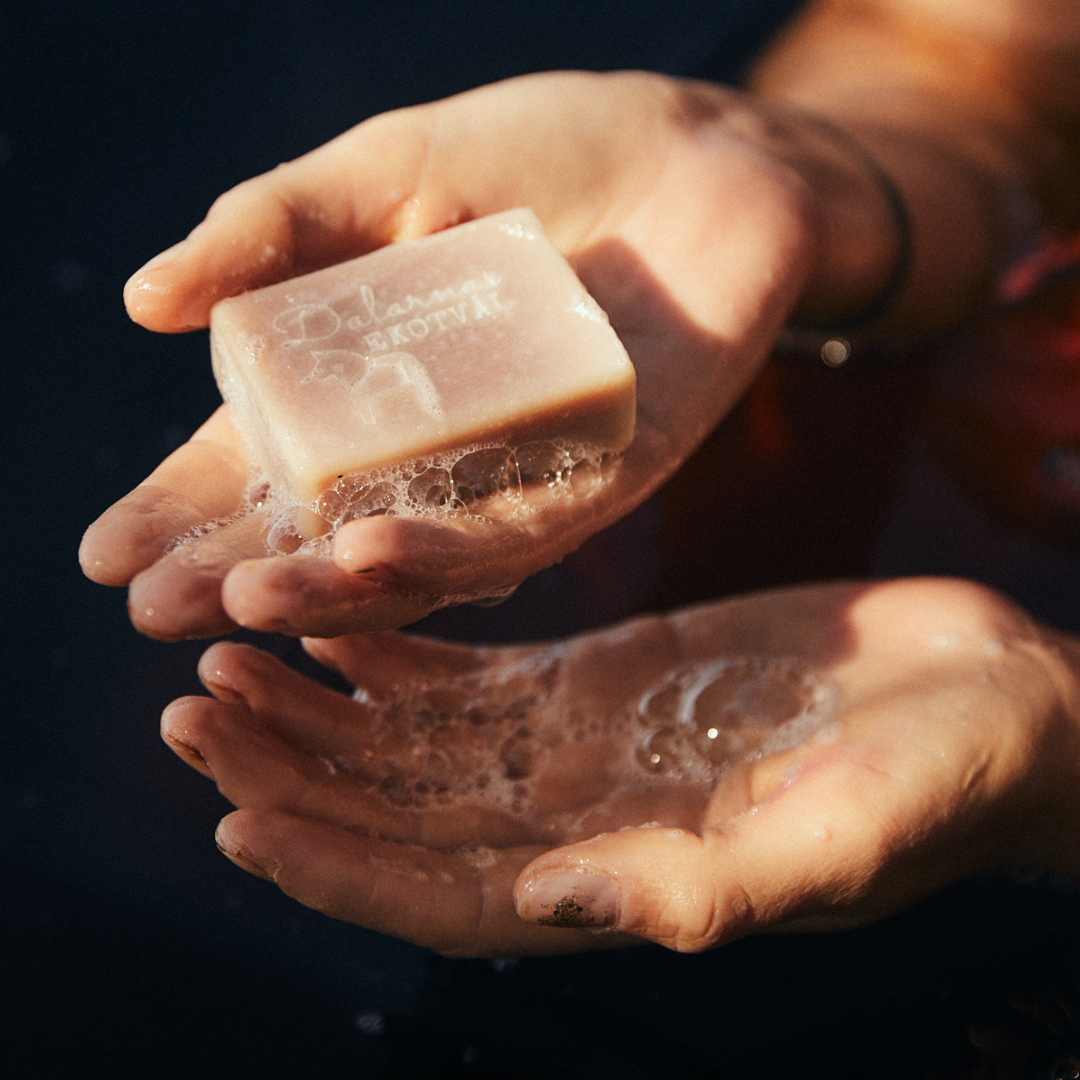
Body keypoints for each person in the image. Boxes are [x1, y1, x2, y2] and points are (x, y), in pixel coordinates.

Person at [81, 0, 1080, 955]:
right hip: (896, 396)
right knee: (165, 782)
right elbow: (974, 62)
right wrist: (815, 174)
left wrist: (1056, 761)